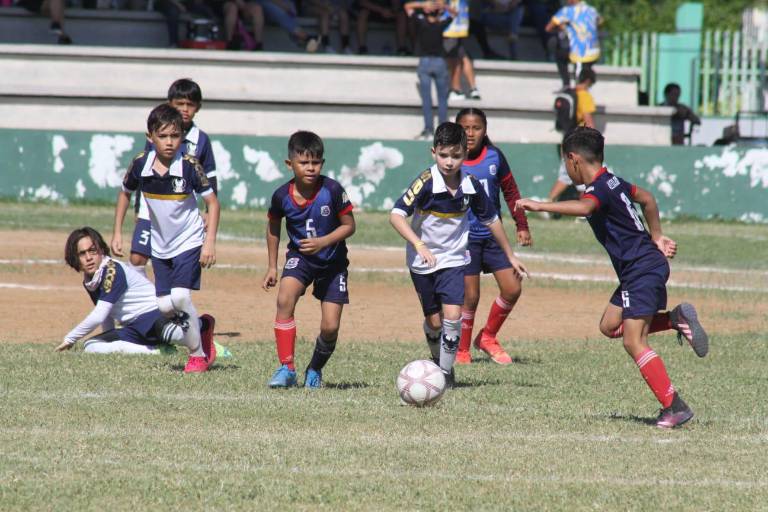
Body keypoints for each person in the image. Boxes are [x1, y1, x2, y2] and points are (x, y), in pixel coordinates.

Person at [515, 127, 709, 429]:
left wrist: (540, 204)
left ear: (573, 159)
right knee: (609, 326)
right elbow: (648, 198)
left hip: (640, 269)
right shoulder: (613, 181)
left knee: (634, 341)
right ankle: (674, 319)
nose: (567, 171)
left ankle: (675, 406)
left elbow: (585, 206)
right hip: (641, 267)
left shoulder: (597, 189)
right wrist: (656, 236)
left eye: (566, 165)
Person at [390, 122, 527, 385]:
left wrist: (509, 254)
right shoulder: (426, 182)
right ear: (434, 152)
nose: (449, 162)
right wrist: (418, 244)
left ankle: (444, 373)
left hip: (453, 258)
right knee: (433, 322)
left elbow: (492, 220)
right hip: (422, 261)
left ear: (465, 154)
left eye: (456, 155)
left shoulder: (471, 185)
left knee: (453, 316)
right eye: (444, 155)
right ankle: (438, 359)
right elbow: (396, 215)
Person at [114, 104, 220, 373]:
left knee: (181, 297)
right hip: (160, 245)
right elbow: (125, 193)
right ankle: (203, 328)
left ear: (182, 137)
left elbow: (213, 203)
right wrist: (117, 232)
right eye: (163, 136)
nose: (170, 142)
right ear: (150, 137)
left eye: (175, 136)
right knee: (164, 305)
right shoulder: (140, 164)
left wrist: (209, 242)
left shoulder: (189, 165)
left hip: (189, 240)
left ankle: (197, 356)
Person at [262, 131, 356, 389]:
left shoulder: (333, 190)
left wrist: (323, 242)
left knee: (330, 326)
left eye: (315, 162)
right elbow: (272, 227)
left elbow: (349, 226)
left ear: (322, 164)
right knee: (284, 298)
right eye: (304, 163)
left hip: (333, 262)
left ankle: (314, 368)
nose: (310, 168)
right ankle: (286, 368)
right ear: (289, 164)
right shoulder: (281, 196)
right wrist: (272, 266)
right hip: (301, 258)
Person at [111, 79, 217, 277]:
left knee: (175, 265)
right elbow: (142, 175)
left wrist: (207, 211)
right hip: (150, 207)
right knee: (137, 258)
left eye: (190, 105)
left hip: (181, 208)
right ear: (170, 104)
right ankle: (148, 303)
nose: (185, 109)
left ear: (198, 107)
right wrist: (138, 208)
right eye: (179, 104)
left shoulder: (201, 140)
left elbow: (210, 177)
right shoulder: (157, 134)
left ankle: (173, 302)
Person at [58, 227, 216, 358]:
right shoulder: (91, 279)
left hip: (154, 316)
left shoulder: (112, 270)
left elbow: (99, 314)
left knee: (170, 333)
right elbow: (107, 314)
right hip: (134, 328)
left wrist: (70, 338)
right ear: (75, 258)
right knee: (91, 345)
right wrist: (109, 335)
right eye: (82, 253)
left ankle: (203, 330)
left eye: (92, 251)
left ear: (101, 250)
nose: (88, 257)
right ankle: (155, 352)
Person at [454, 108, 531, 365]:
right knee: (470, 296)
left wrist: (522, 224)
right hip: (466, 238)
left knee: (512, 287)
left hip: (493, 236)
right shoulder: (452, 159)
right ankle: (462, 349)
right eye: (465, 127)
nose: (471, 133)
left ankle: (487, 337)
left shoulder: (495, 157)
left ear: (485, 129)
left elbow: (510, 191)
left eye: (476, 127)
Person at [405, 0, 454, 140]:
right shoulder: (442, 24)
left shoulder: (421, 22)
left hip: (425, 61)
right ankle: (443, 133)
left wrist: (423, 5)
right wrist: (443, 6)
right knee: (442, 99)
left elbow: (407, 6)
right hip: (439, 62)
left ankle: (428, 129)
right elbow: (455, 13)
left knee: (427, 99)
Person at [547, 66, 595, 204]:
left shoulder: (571, 93)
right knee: (569, 175)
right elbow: (588, 121)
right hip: (579, 143)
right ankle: (548, 204)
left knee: (578, 175)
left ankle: (585, 209)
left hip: (567, 139)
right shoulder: (585, 96)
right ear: (588, 81)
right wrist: (595, 139)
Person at [545, 0, 600, 89]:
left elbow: (548, 28)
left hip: (580, 51)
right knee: (583, 72)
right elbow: (599, 22)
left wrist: (563, 28)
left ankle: (566, 84)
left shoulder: (567, 11)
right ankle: (584, 84)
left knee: (559, 52)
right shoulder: (592, 10)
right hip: (594, 51)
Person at [444, 0, 480, 100]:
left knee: (454, 59)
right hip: (461, 25)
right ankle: (473, 89)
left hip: (450, 27)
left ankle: (456, 89)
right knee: (462, 56)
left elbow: (440, 3)